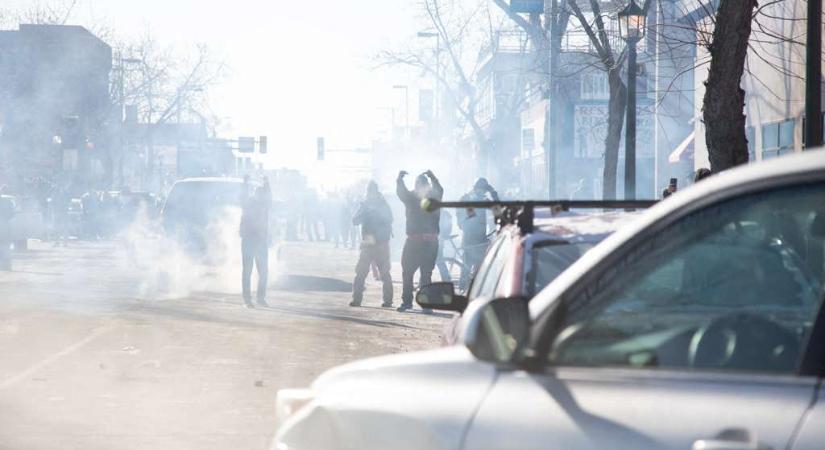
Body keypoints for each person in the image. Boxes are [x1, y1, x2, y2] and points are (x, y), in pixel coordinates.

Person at [396, 170, 443, 312]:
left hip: (422, 243)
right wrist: (433, 177)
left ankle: (415, 303)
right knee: (416, 273)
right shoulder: (415, 197)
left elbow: (401, 192)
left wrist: (399, 179)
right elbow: (402, 192)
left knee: (419, 273)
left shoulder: (429, 197)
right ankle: (413, 303)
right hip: (419, 242)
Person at [350, 181, 394, 308]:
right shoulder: (365, 205)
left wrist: (377, 213)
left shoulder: (383, 204)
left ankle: (388, 300)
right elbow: (355, 220)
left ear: (376, 192)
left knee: (385, 273)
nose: (370, 194)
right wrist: (366, 212)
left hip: (381, 242)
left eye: (372, 191)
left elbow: (390, 219)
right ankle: (356, 299)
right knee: (361, 272)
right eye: (368, 192)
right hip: (368, 240)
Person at [457, 177, 499, 289]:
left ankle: (473, 292)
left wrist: (493, 192)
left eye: (484, 190)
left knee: (479, 272)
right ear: (475, 188)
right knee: (466, 271)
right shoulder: (465, 198)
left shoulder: (484, 200)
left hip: (480, 240)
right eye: (481, 190)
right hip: (470, 241)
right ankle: (462, 295)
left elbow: (497, 210)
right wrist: (466, 225)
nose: (482, 192)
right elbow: (460, 219)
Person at [240, 177, 272, 308]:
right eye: (258, 194)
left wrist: (267, 183)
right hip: (248, 240)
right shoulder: (248, 203)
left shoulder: (264, 205)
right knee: (248, 270)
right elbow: (242, 196)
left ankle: (260, 298)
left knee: (263, 271)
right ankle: (247, 300)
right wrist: (245, 183)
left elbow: (269, 197)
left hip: (260, 241)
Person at [436, 209, 453, 282]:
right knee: (439, 260)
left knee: (438, 261)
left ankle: (446, 278)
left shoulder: (436, 213)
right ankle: (446, 277)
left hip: (435, 240)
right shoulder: (445, 213)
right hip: (440, 240)